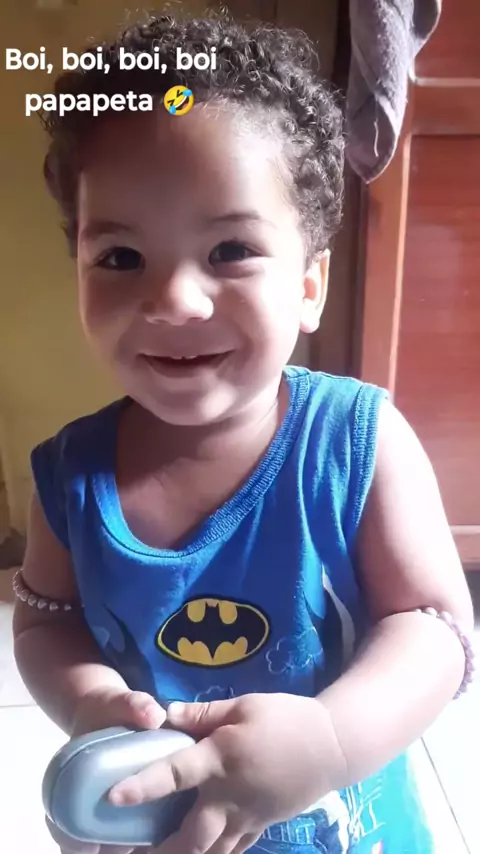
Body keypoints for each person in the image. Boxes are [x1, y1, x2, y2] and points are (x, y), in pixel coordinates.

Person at [12, 11, 474, 854]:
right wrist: (89, 699)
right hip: (163, 826)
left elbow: (435, 627)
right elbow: (46, 620)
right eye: (120, 258)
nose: (173, 300)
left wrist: (329, 742)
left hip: (345, 830)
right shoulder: (69, 478)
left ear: (309, 285)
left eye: (229, 250)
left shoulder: (355, 442)